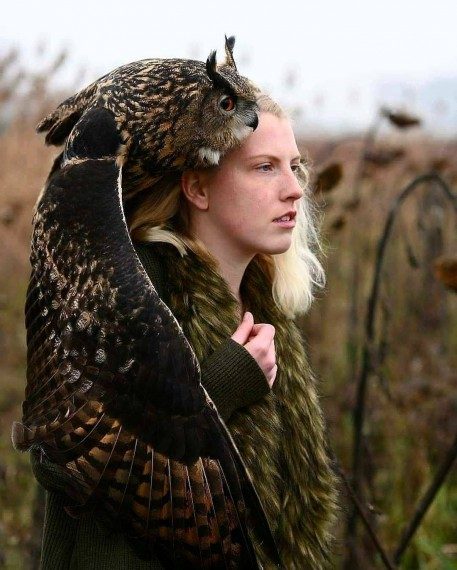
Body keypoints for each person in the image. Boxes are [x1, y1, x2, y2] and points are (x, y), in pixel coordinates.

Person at [31, 93, 338, 569]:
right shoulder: (129, 287)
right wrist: (221, 386)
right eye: (264, 168)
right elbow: (65, 453)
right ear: (197, 188)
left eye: (294, 167)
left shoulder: (266, 309)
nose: (294, 189)